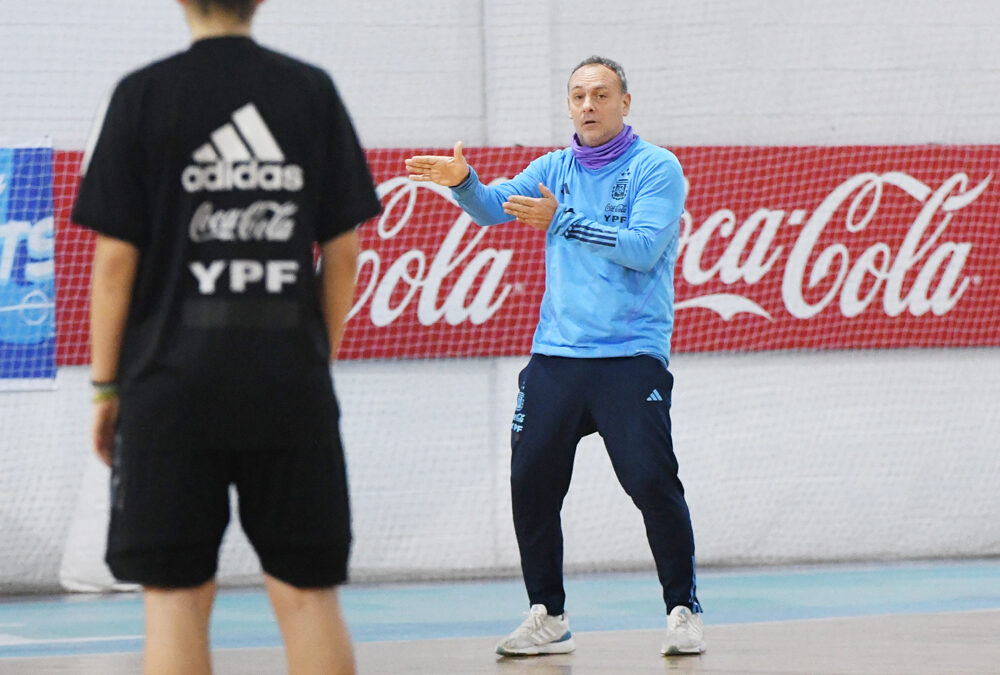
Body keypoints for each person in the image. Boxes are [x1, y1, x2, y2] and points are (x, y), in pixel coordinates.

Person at [72, 1, 381, 673]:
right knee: (307, 595)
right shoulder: (310, 90)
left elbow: (112, 266)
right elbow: (345, 250)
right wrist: (313, 358)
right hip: (287, 384)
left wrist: (105, 387)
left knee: (176, 599)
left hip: (168, 389)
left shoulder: (142, 94)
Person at [405, 55, 704, 657]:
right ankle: (549, 614)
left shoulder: (656, 167)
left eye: (600, 94)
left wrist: (562, 221)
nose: (588, 105)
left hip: (629, 356)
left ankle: (682, 609)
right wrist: (463, 182)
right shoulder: (553, 168)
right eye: (577, 96)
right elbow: (493, 209)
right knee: (530, 482)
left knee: (650, 480)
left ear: (625, 102)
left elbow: (644, 249)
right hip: (556, 358)